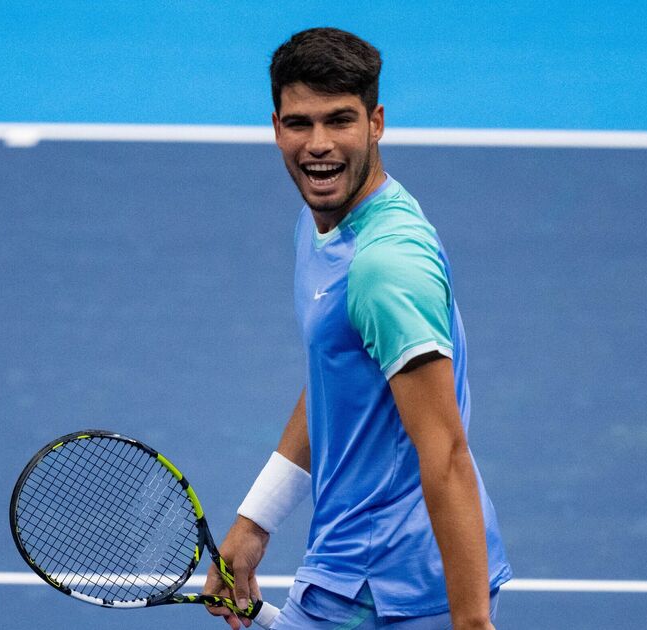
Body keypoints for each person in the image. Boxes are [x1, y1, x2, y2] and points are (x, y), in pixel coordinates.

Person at [203, 28, 512, 630]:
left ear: (376, 123)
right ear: (275, 127)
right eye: (300, 123)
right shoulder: (320, 223)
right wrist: (256, 520)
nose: (318, 146)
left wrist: (473, 626)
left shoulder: (383, 266)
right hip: (361, 567)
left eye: (339, 120)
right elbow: (336, 379)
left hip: (383, 586)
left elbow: (446, 454)